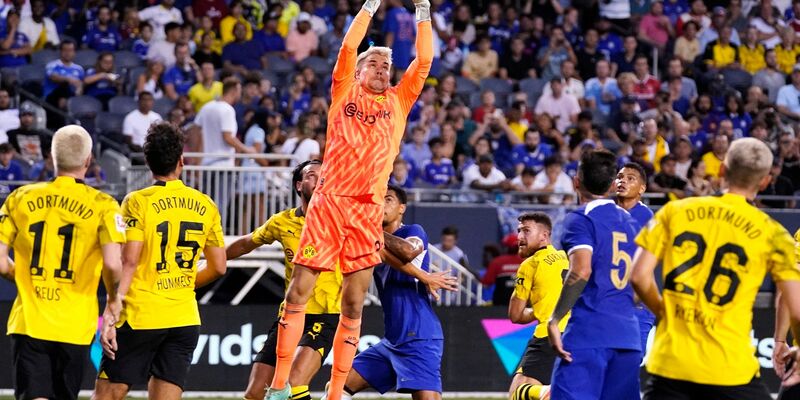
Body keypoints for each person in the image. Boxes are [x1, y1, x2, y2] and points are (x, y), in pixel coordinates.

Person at [266, 0, 433, 398]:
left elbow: (424, 60)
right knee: (298, 292)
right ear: (357, 70)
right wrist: (370, 6)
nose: (381, 69)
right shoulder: (343, 89)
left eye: (386, 66)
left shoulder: (399, 100)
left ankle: (336, 393)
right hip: (329, 203)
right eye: (373, 63)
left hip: (366, 212)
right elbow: (346, 46)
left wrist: (423, 9)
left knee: (354, 304)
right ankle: (278, 387)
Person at [631, 137, 800, 399]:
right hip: (731, 369)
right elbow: (796, 308)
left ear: (722, 169)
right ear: (765, 181)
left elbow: (639, 276)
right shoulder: (774, 233)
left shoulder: (674, 211)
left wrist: (664, 312)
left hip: (671, 366)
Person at [93, 122, 227, 400]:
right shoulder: (205, 204)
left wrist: (111, 307)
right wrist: (183, 283)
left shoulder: (137, 201)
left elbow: (129, 261)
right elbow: (218, 266)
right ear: (181, 161)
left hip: (141, 316)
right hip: (184, 318)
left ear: (147, 162)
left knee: (106, 395)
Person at [0, 125, 125, 400]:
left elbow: (0, 262)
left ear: (52, 157)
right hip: (74, 325)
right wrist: (114, 299)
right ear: (88, 160)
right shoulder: (103, 205)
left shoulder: (19, 198)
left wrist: (23, 276)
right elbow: (114, 264)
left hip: (30, 322)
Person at [326, 184, 457, 400]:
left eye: (388, 200)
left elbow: (407, 251)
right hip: (391, 340)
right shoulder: (372, 242)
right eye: (378, 200)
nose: (381, 204)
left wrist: (370, 229)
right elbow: (380, 256)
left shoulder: (413, 231)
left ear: (402, 208)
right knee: (337, 388)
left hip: (419, 336)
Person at [226, 160, 343, 400]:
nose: (320, 179)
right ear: (299, 185)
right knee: (255, 392)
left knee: (295, 382)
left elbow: (377, 243)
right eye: (312, 175)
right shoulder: (282, 222)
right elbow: (246, 243)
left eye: (324, 175)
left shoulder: (340, 220)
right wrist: (208, 256)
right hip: (290, 315)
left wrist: (420, 274)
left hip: (325, 314)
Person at [547, 149, 641, 400]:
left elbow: (581, 269)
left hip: (590, 334)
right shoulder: (631, 222)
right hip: (628, 339)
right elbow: (642, 276)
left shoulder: (580, 219)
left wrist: (555, 319)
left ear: (576, 181)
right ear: (613, 185)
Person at [507, 212, 569, 400]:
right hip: (575, 333)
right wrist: (545, 306)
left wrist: (540, 310)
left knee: (517, 394)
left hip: (547, 336)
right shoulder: (566, 257)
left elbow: (515, 315)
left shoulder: (531, 264)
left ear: (544, 235)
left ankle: (545, 392)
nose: (519, 237)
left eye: (526, 231)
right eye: (519, 231)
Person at [614, 162, 655, 359]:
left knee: (630, 359)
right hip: (607, 300)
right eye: (620, 177)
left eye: (631, 179)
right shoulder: (605, 211)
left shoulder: (645, 217)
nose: (623, 181)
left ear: (642, 188)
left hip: (635, 302)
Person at [481, 233, 523, 306]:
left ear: (506, 247)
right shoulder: (529, 261)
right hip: (523, 306)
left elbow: (486, 283)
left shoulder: (497, 262)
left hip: (500, 305)